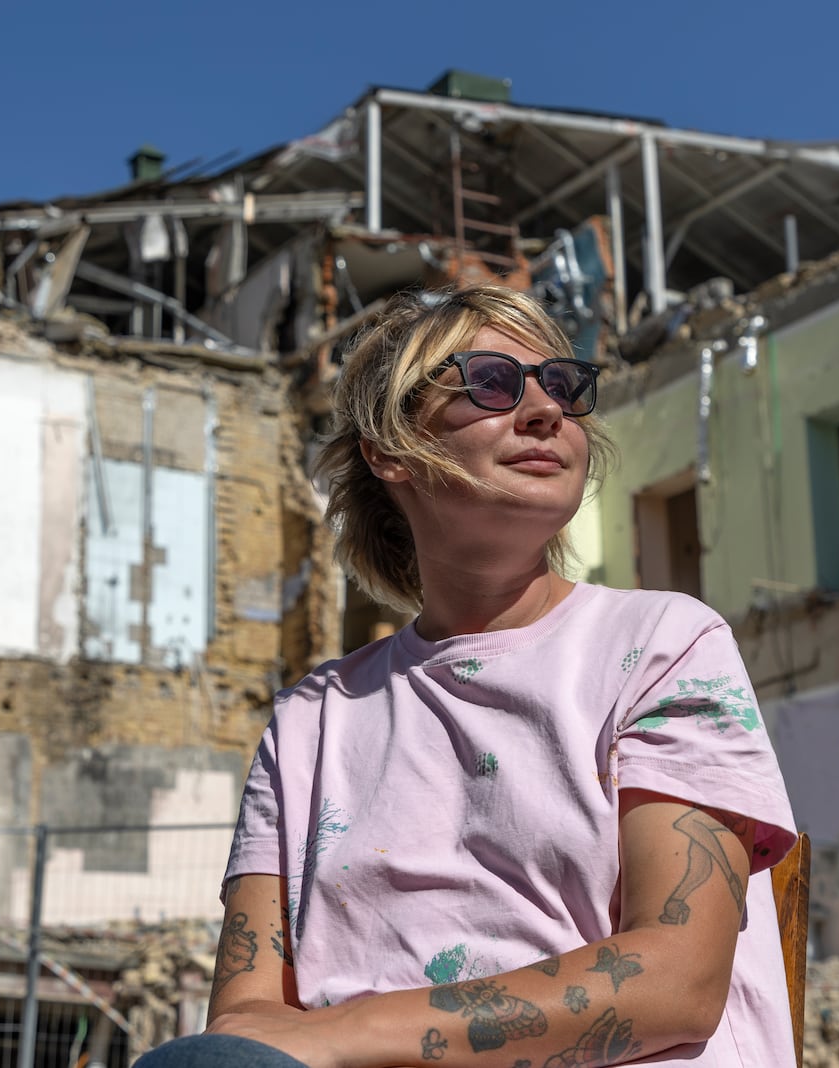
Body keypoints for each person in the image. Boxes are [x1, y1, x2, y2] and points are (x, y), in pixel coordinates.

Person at [138, 284, 796, 1068]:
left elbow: (677, 981)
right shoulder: (313, 718)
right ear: (388, 451)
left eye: (562, 385)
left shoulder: (663, 644)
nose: (547, 409)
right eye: (490, 383)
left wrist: (348, 1034)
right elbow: (249, 1019)